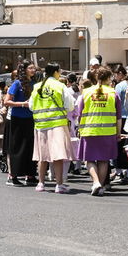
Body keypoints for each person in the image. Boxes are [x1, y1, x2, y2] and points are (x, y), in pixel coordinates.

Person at [73, 66, 121, 196]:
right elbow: (118, 117)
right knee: (104, 160)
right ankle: (100, 184)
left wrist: (79, 129)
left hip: (89, 130)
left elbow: (80, 113)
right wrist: (118, 132)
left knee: (89, 159)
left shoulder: (86, 92)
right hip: (108, 131)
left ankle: (96, 183)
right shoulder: (113, 93)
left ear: (96, 77)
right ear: (109, 78)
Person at [30, 63, 74, 193]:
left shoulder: (37, 86)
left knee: (42, 156)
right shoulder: (60, 85)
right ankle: (59, 184)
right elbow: (70, 104)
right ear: (55, 72)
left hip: (41, 125)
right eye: (59, 71)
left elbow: (31, 106)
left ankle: (41, 183)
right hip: (57, 124)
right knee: (58, 155)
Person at [5, 62, 37, 187]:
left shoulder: (34, 84)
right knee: (17, 147)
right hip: (17, 118)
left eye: (34, 68)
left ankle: (30, 175)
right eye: (30, 68)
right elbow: (7, 101)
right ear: (24, 70)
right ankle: (12, 176)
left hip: (30, 118)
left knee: (30, 146)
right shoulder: (16, 84)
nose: (33, 70)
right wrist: (23, 104)